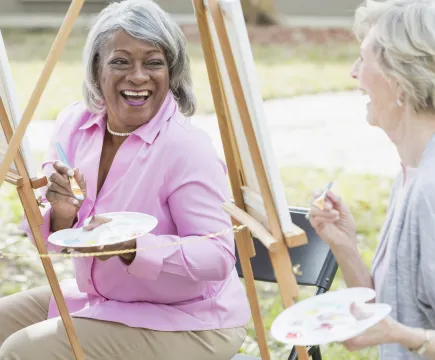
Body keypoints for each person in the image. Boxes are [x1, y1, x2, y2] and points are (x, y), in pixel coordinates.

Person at [0, 0, 250, 359]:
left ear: (172, 73)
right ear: (97, 69)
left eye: (154, 63)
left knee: (22, 352)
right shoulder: (75, 124)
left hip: (189, 321)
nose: (138, 76)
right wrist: (61, 214)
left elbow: (218, 255)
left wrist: (135, 249)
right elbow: (56, 234)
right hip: (106, 302)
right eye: (120, 61)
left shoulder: (185, 147)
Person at [308, 0, 435, 359]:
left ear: (399, 80)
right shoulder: (417, 169)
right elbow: (389, 314)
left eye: (364, 59)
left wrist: (405, 336)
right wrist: (345, 247)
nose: (354, 73)